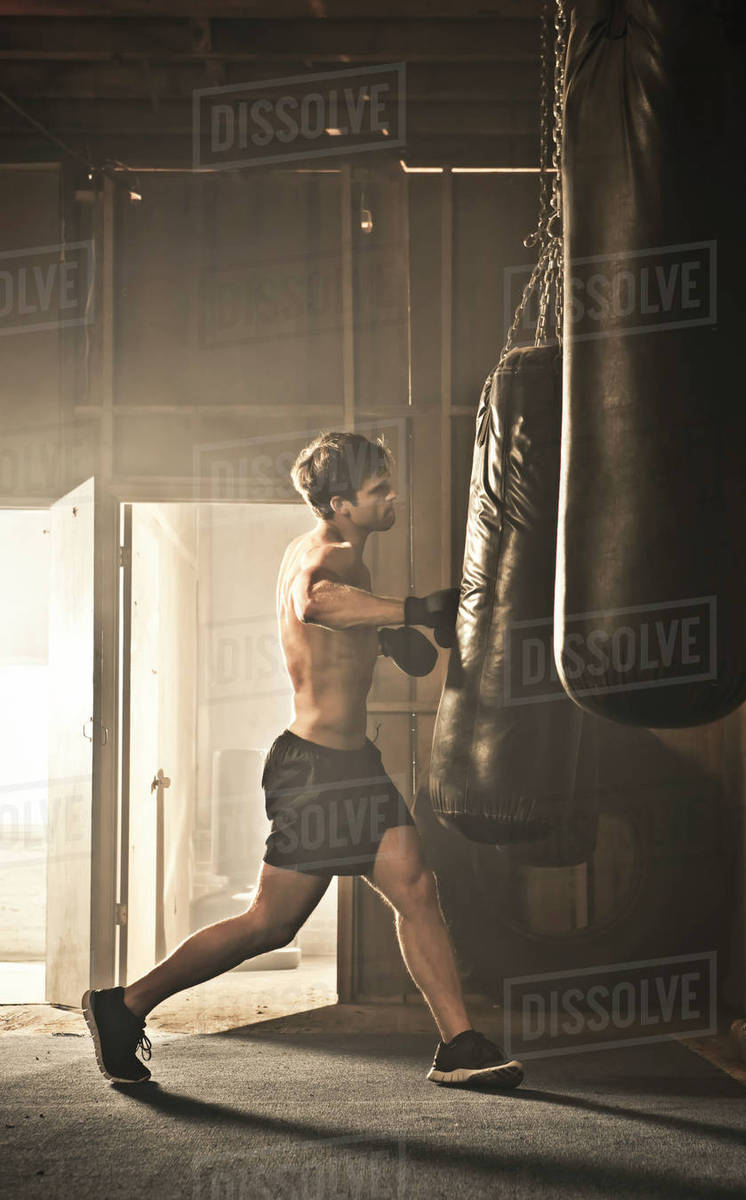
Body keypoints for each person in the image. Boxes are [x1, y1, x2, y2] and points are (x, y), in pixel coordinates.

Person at [83, 431, 523, 1091]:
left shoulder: (343, 555)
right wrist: (410, 609)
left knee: (414, 887)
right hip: (314, 772)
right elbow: (314, 603)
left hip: (356, 767)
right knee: (271, 922)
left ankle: (458, 1043)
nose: (393, 496)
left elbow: (335, 630)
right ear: (342, 503)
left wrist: (388, 637)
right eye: (380, 490)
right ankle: (122, 1006)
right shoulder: (328, 552)